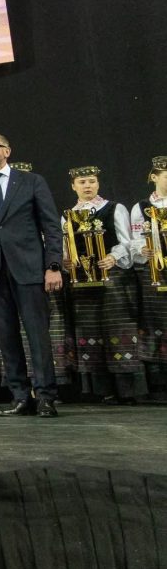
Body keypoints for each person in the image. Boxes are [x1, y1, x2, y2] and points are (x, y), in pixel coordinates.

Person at [0, 132, 63, 418]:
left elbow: (51, 226)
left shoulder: (32, 181)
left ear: (7, 151)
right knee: (6, 338)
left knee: (37, 336)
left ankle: (45, 397)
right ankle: (20, 396)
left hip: (29, 270)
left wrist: (53, 265)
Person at [62, 166, 144, 402]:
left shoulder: (114, 209)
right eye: (82, 182)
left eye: (91, 181)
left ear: (98, 184)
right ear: (73, 186)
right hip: (82, 283)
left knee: (118, 329)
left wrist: (114, 257)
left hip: (113, 278)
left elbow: (126, 240)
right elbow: (66, 246)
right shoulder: (68, 215)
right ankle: (101, 390)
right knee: (90, 332)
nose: (87, 186)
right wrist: (66, 261)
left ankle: (127, 391)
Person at [130, 155, 167, 398]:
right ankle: (159, 383)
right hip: (154, 271)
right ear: (154, 177)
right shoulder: (141, 207)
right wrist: (141, 249)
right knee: (156, 322)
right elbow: (134, 238)